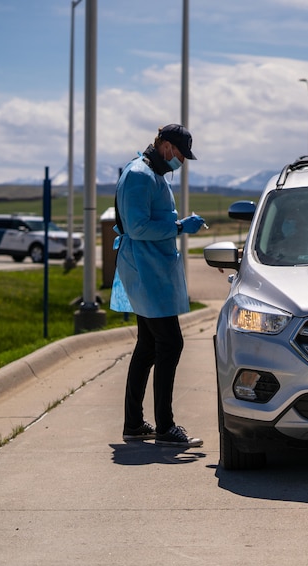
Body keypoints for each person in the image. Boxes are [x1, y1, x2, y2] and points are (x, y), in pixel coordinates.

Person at [111, 124, 206, 448]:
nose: (180, 161)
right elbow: (137, 227)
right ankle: (165, 427)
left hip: (150, 270)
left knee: (149, 346)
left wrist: (175, 225)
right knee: (170, 344)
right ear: (165, 146)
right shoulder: (140, 175)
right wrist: (179, 226)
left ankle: (134, 424)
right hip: (146, 272)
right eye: (179, 154)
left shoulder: (152, 174)